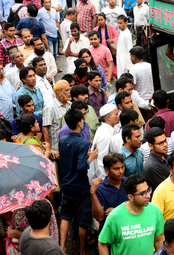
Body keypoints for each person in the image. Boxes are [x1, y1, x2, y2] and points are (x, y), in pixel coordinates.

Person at [59, 108, 98, 255]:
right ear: (79, 123)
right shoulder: (82, 143)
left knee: (65, 217)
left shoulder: (62, 140)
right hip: (80, 187)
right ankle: (82, 251)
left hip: (67, 185)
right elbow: (82, 167)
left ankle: (62, 247)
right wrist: (91, 157)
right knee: (83, 221)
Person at [98, 174, 164, 255]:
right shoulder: (115, 216)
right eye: (143, 193)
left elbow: (158, 240)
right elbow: (102, 243)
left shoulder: (155, 210)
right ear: (131, 197)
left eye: (148, 190)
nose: (148, 195)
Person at [90, 152, 128, 232]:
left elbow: (140, 206)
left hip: (128, 229)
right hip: (109, 232)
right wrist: (92, 193)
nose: (121, 171)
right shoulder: (100, 189)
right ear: (107, 170)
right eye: (116, 169)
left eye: (122, 167)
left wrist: (117, 211)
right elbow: (99, 217)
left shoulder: (129, 183)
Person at [89, 103, 119, 182]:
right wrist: (104, 181)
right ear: (108, 117)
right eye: (116, 114)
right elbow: (101, 160)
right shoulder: (105, 135)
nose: (119, 115)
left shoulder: (107, 129)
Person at [43, 80, 71, 152]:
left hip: (70, 146)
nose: (69, 92)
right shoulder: (50, 108)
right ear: (58, 93)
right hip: (57, 148)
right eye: (67, 90)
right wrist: (49, 149)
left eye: (69, 89)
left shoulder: (70, 105)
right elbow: (45, 129)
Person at [93, 12, 118, 78]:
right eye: (99, 20)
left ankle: (112, 75)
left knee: (111, 63)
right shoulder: (95, 29)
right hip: (100, 50)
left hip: (109, 50)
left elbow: (116, 36)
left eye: (102, 20)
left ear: (105, 20)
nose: (100, 21)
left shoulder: (110, 27)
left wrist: (111, 40)